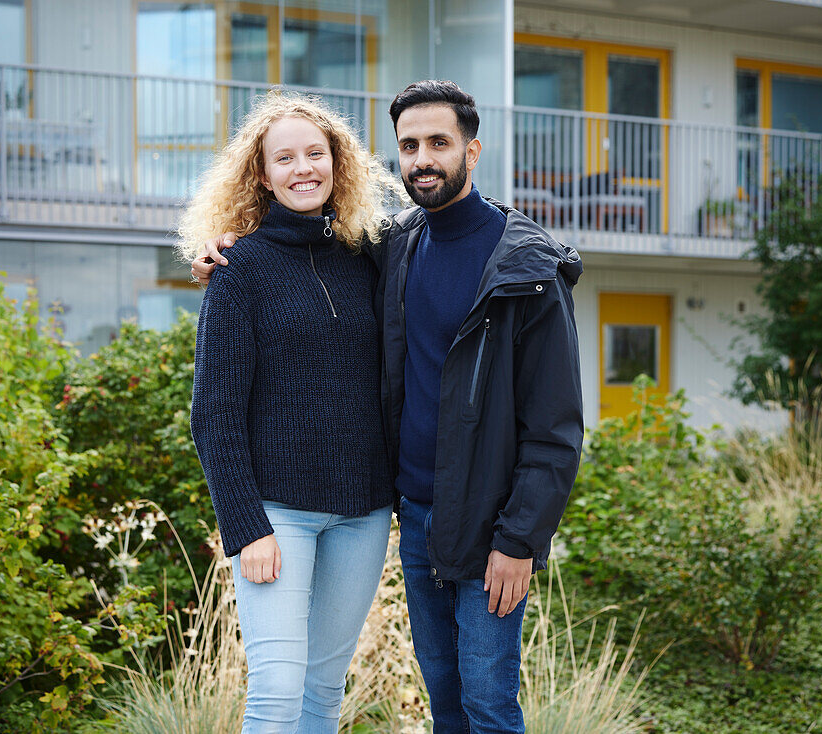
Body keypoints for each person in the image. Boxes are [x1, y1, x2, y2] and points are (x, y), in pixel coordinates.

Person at [193, 80, 584, 734]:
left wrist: (522, 536)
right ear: (259, 175)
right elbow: (218, 410)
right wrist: (220, 247)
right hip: (346, 515)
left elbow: (554, 426)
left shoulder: (464, 262)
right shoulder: (332, 257)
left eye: (439, 142)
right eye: (410, 145)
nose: (423, 158)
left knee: (455, 700)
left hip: (431, 520)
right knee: (314, 692)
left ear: (472, 149)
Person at [183, 90, 402, 734]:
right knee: (277, 695)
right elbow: (213, 416)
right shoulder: (237, 268)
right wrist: (244, 526)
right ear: (262, 173)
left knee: (321, 695)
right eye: (286, 158)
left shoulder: (368, 257)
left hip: (363, 515)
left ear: (339, 163)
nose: (303, 168)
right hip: (277, 517)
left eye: (316, 153)